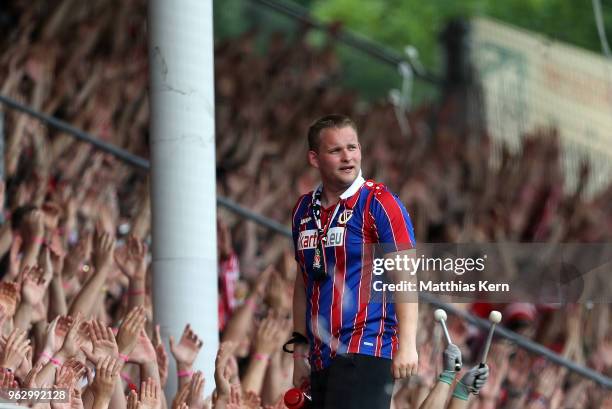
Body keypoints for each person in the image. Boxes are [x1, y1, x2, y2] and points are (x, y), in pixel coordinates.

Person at [290, 114, 419, 409]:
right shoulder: (302, 210)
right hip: (321, 357)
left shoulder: (379, 203)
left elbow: (405, 275)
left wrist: (408, 343)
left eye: (353, 147)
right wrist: (299, 354)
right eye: (335, 150)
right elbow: (302, 285)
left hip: (367, 347)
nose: (347, 157)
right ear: (314, 158)